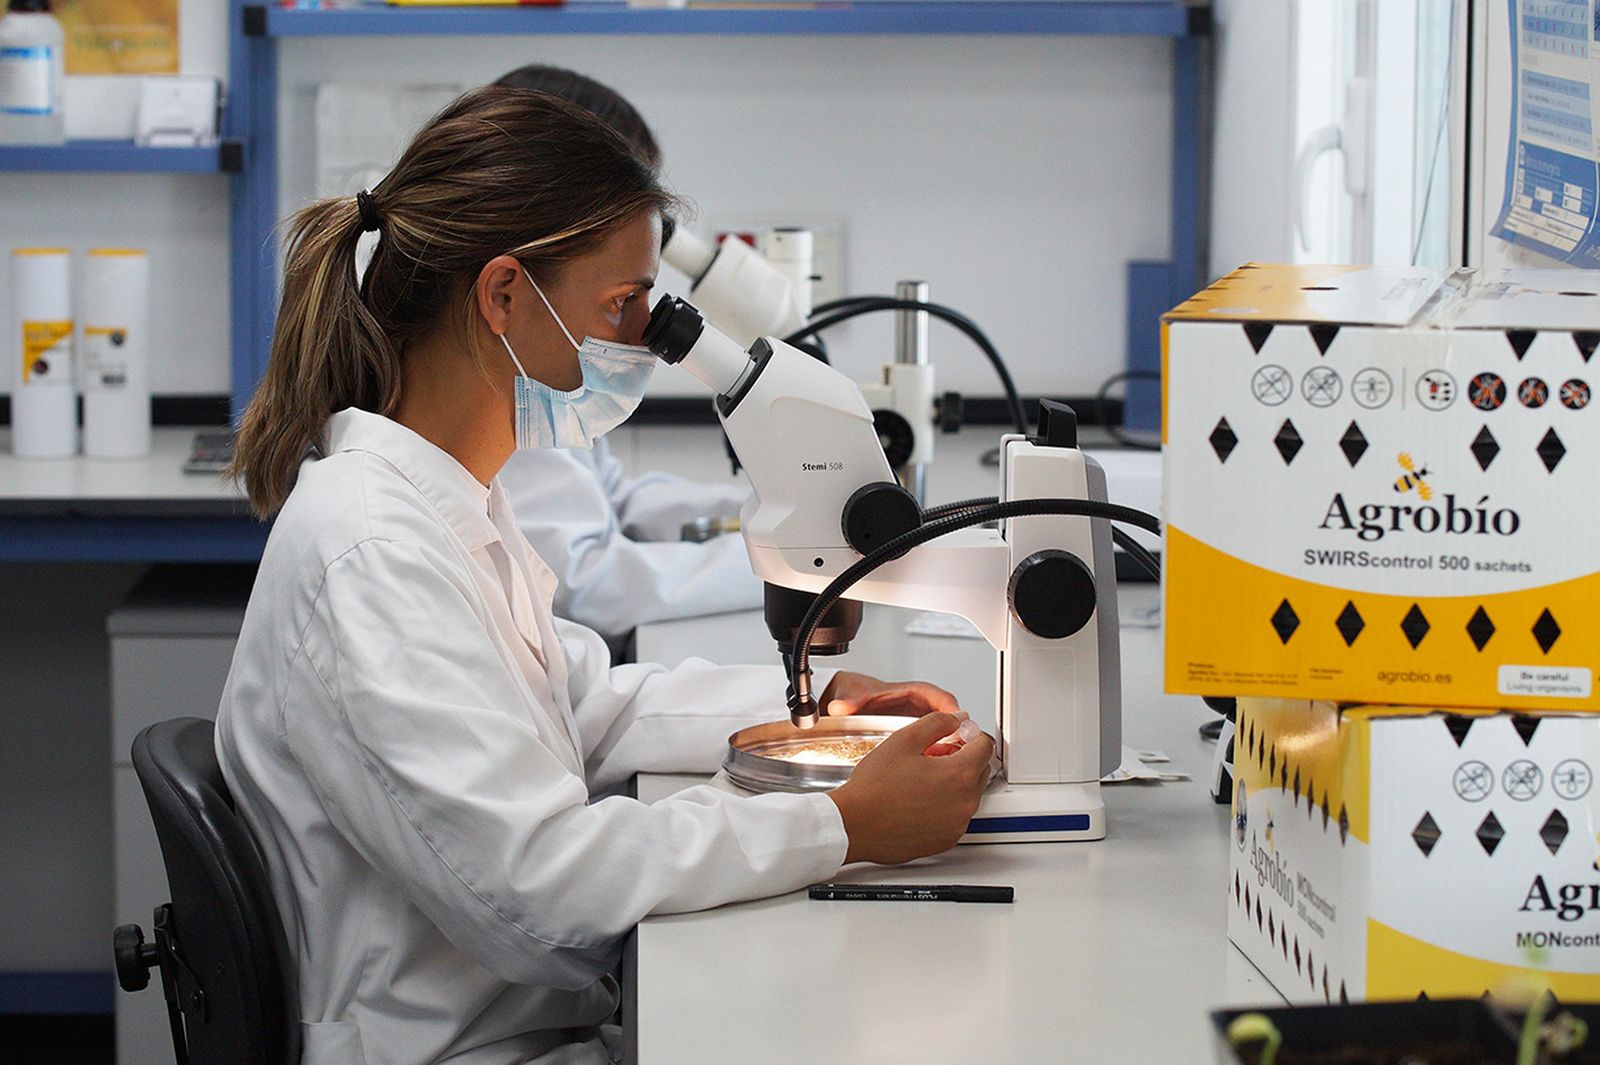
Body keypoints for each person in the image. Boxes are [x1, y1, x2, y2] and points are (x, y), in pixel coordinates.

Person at [217, 87, 993, 1065]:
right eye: (621, 305)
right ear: (502, 295)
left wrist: (815, 710)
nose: (638, 341)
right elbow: (540, 895)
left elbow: (582, 706)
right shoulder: (373, 553)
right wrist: (838, 822)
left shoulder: (445, 501)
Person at [492, 64, 757, 660]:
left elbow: (615, 499)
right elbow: (583, 581)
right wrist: (785, 563)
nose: (642, 332)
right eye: (620, 299)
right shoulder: (509, 392)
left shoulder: (540, 383)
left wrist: (761, 515)